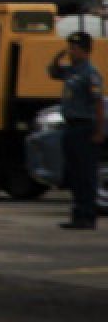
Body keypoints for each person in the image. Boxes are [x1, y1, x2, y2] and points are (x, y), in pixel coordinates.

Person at [48, 31, 104, 230]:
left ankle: (88, 216)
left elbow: (98, 103)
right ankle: (77, 215)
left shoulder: (90, 73)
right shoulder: (71, 71)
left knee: (85, 174)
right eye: (70, 47)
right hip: (70, 127)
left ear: (85, 51)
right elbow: (52, 72)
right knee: (73, 174)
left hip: (84, 128)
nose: (72, 51)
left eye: (75, 48)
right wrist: (59, 55)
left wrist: (99, 130)